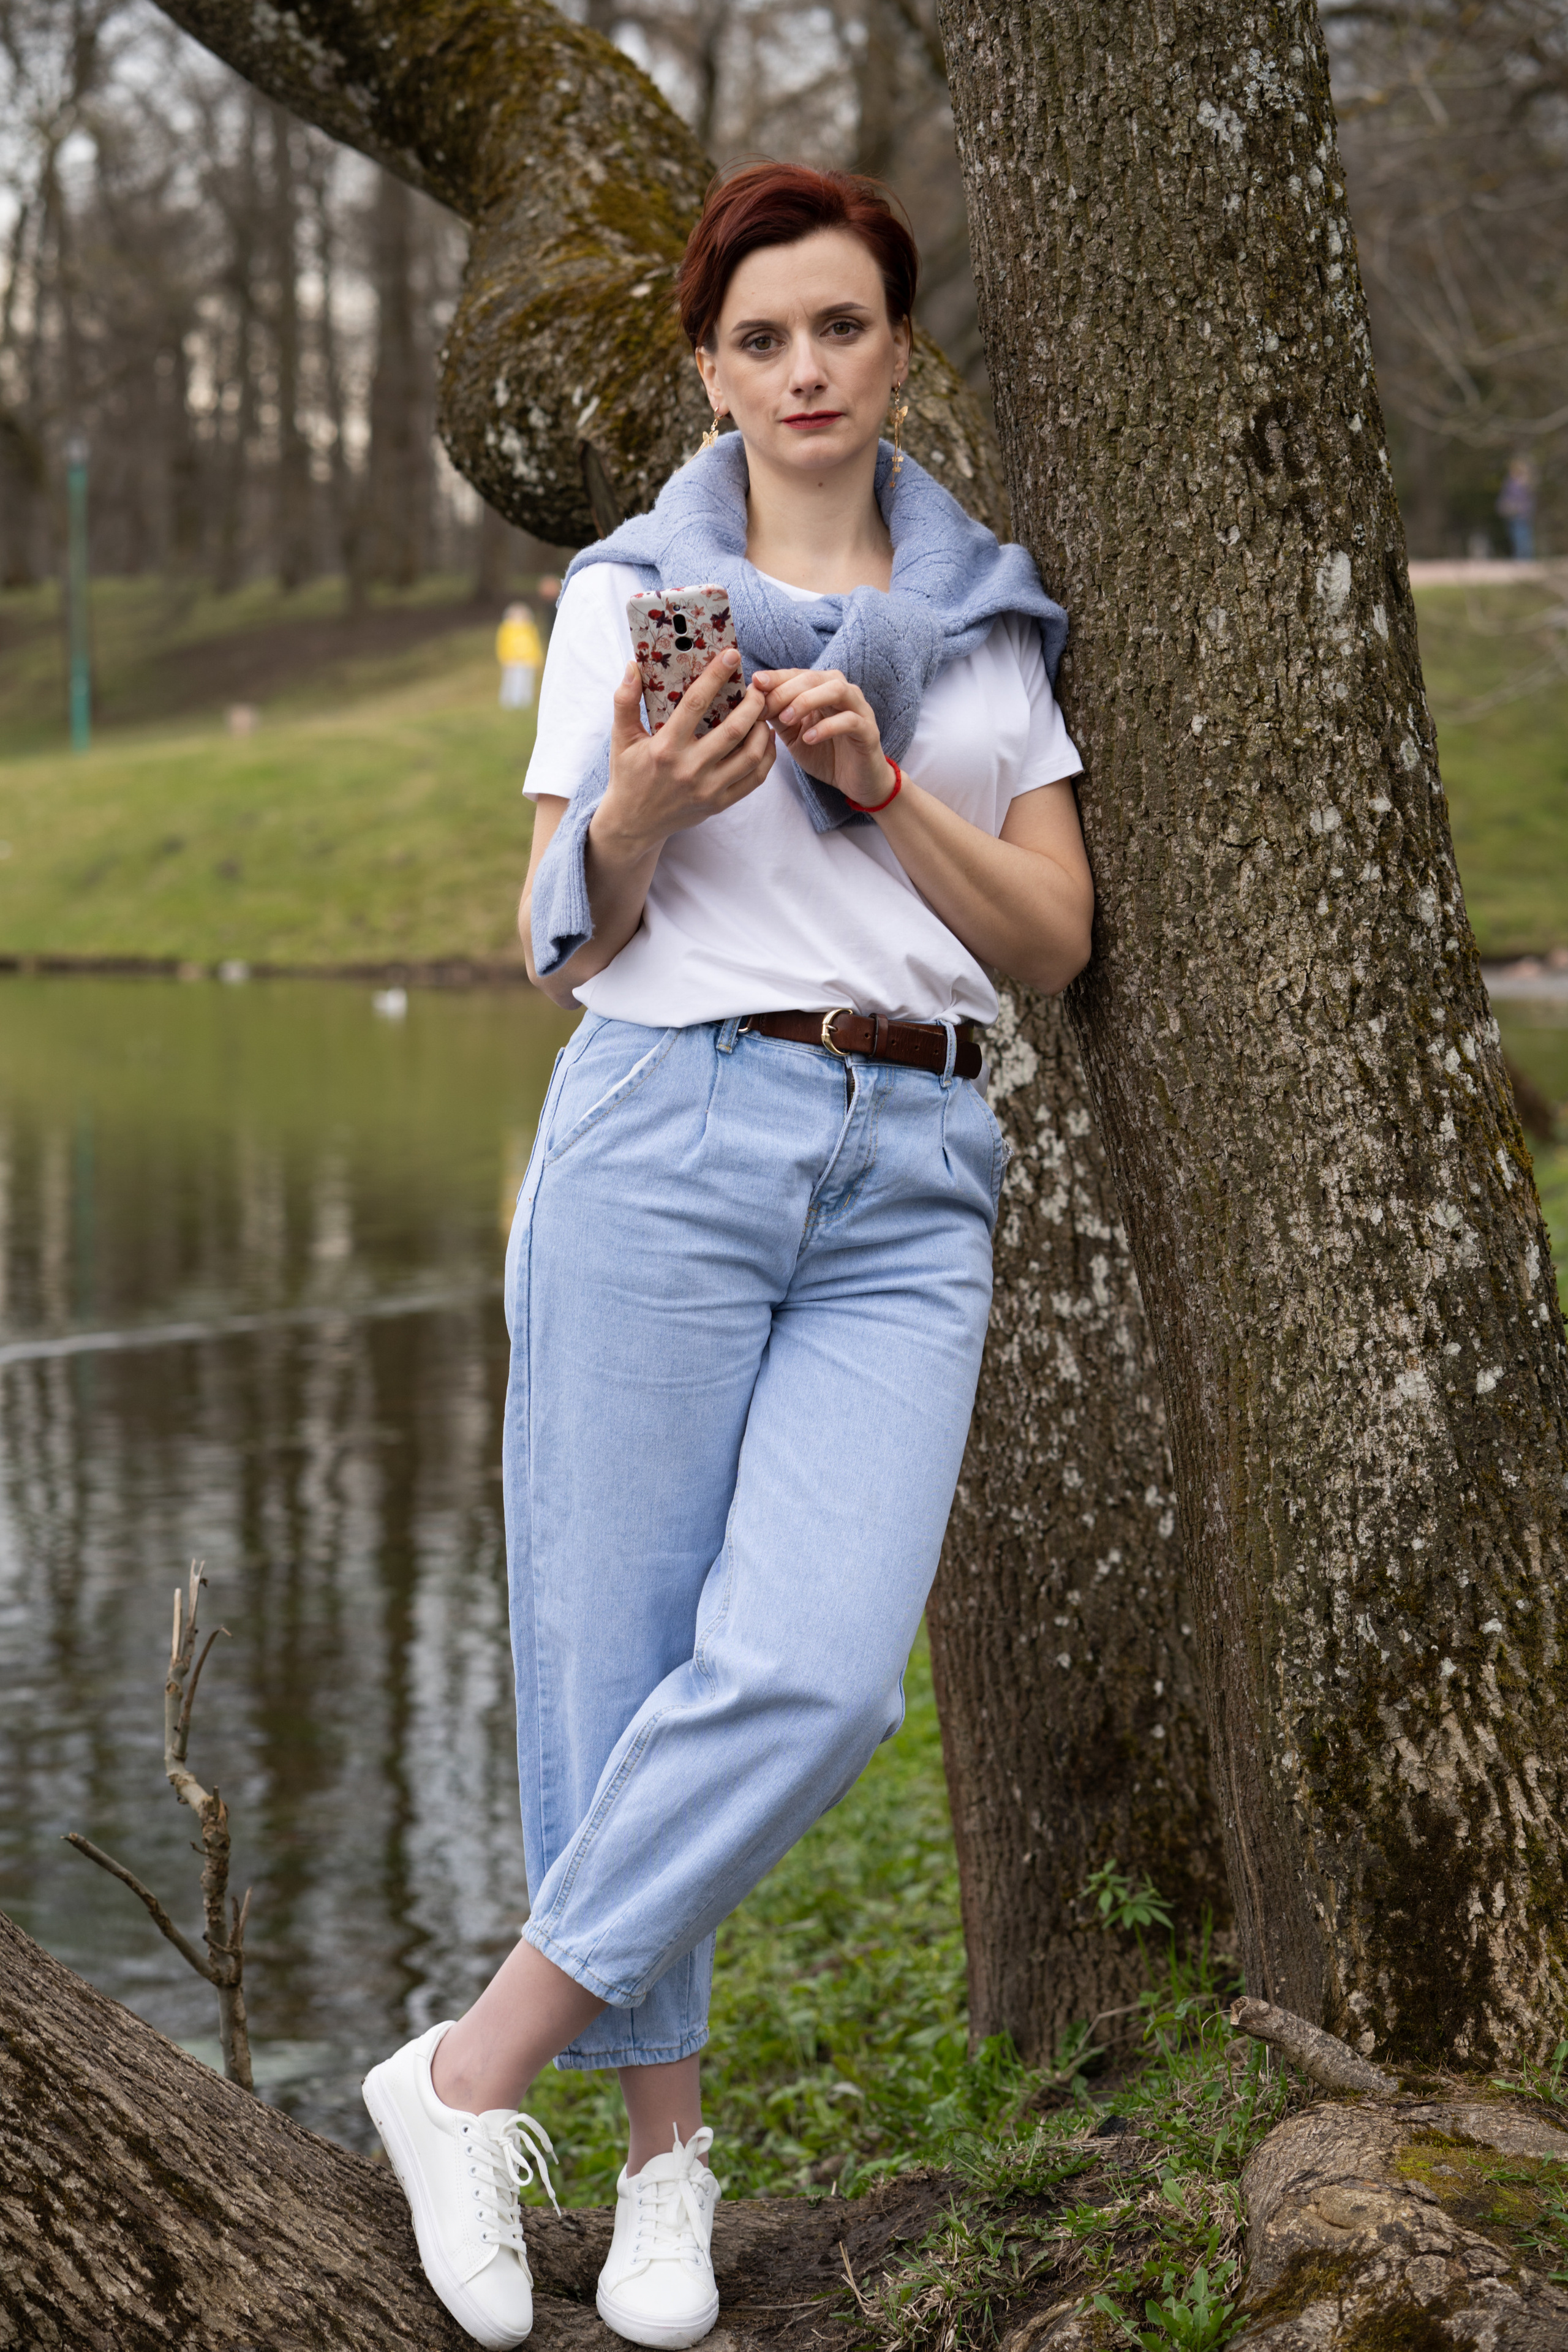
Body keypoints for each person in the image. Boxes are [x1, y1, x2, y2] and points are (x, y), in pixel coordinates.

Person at [363, 160, 1093, 2352]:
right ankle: (661, 2168)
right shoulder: (625, 590)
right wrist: (645, 810)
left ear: (892, 347)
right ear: (708, 366)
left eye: (838, 328)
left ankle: (462, 2074)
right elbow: (548, 932)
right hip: (667, 1123)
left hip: (913, 1164)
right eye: (759, 337)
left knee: (812, 1670)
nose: (800, 371)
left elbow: (1051, 939)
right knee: (617, 1661)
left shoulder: (977, 611)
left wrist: (880, 792)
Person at [497, 601, 544, 708]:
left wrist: (538, 658)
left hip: (528, 660)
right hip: (512, 660)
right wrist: (504, 658)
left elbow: (535, 644)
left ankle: (524, 701)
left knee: (526, 681)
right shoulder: (506, 629)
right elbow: (502, 644)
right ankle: (510, 702)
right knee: (511, 681)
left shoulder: (530, 628)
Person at [1497, 458, 1537, 562]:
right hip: (1512, 513)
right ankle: (1520, 557)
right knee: (1515, 535)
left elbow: (1529, 500)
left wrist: (1522, 507)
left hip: (1523, 514)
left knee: (1523, 536)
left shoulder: (1525, 483)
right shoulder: (1510, 483)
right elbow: (1505, 497)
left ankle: (1525, 558)